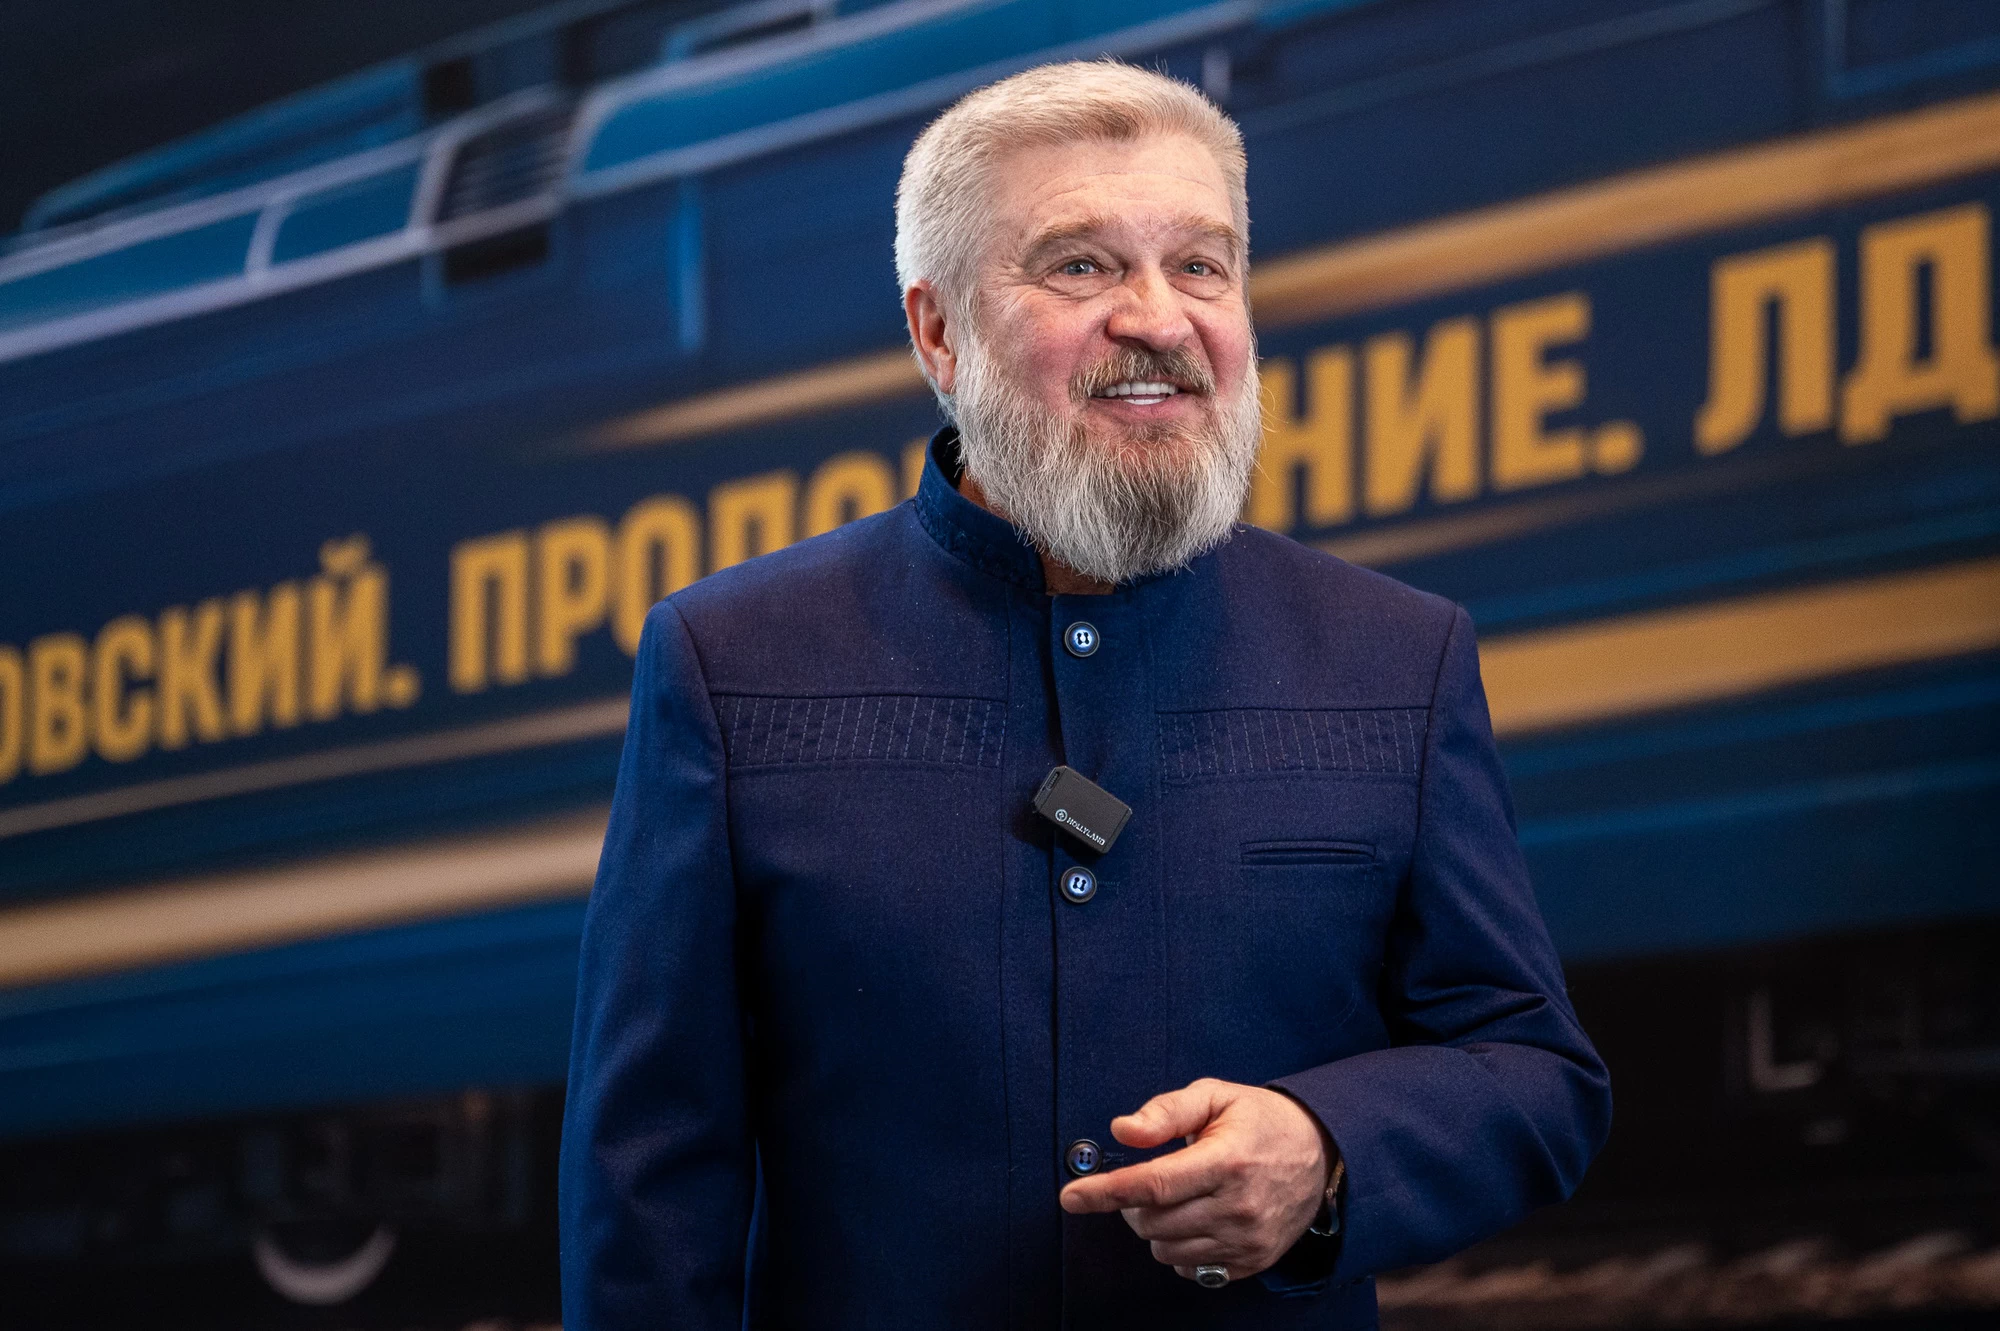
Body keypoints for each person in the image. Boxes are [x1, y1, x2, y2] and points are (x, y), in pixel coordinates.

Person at [560, 59, 1611, 1330]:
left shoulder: (1397, 657)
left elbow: (1532, 1071)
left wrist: (1324, 1147)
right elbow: (648, 1178)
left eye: (1201, 265)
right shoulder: (729, 661)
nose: (1157, 317)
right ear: (937, 331)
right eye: (1079, 266)